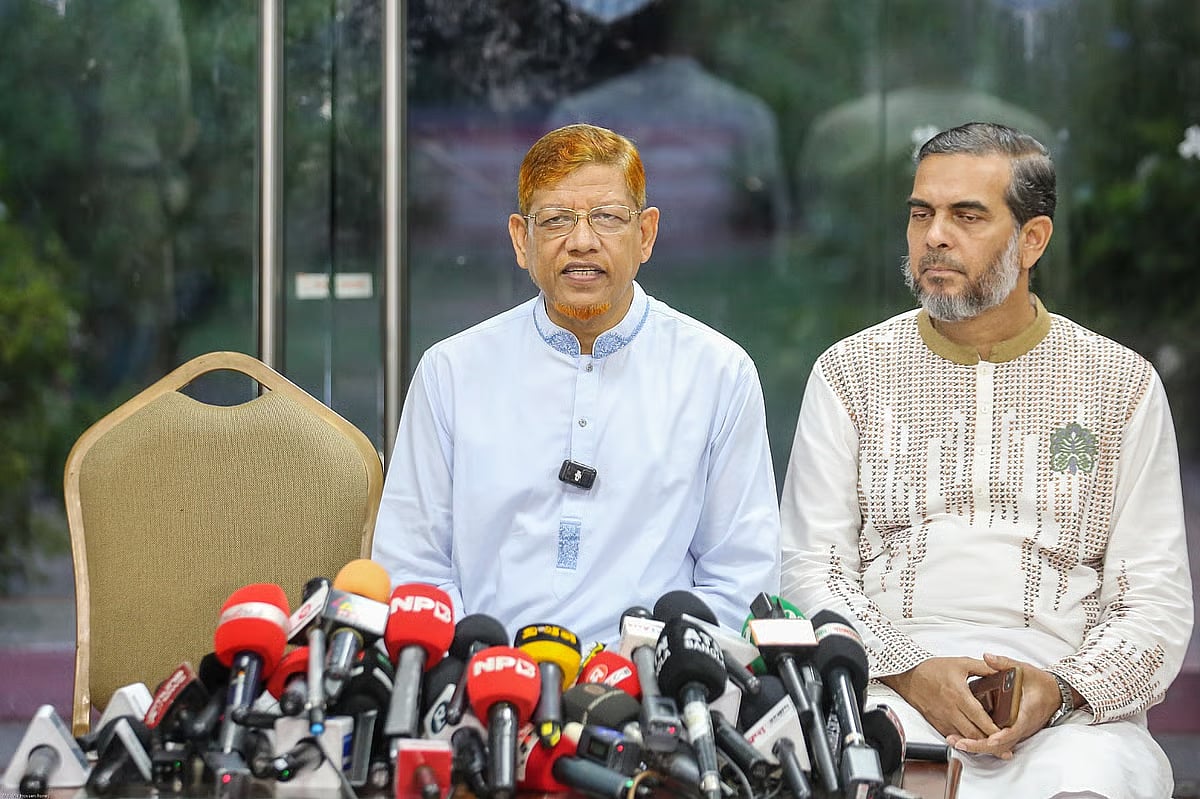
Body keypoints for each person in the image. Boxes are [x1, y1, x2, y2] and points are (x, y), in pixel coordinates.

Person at [780, 122, 1193, 797]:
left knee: (1096, 777)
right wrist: (913, 671)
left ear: (1033, 239)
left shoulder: (1119, 384)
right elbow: (808, 568)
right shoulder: (852, 372)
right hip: (883, 687)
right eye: (922, 213)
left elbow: (1154, 600)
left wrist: (1057, 692)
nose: (934, 235)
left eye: (966, 215)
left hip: (1069, 716)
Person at [373, 123, 781, 647]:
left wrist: (649, 676)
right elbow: (412, 566)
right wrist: (478, 669)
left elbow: (741, 577)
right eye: (556, 220)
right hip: (484, 684)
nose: (582, 241)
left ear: (646, 235)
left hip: (652, 694)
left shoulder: (718, 373)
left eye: (608, 218)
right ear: (522, 240)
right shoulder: (451, 371)